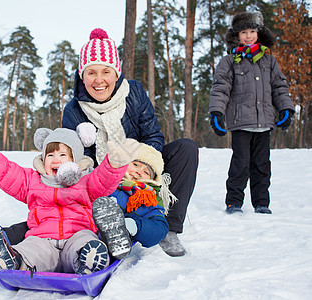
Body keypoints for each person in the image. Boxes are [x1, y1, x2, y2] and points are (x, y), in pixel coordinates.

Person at [62, 28, 199, 257]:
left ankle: (169, 228)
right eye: (91, 72)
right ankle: (108, 223)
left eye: (106, 72)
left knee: (186, 149)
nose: (99, 80)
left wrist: (136, 166)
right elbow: (76, 156)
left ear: (116, 74)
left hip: (140, 162)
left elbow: (153, 136)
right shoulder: (74, 110)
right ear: (81, 75)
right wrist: (111, 170)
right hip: (102, 176)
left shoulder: (134, 92)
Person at [0, 123, 140, 274]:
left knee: (85, 243)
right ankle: (13, 261)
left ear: (75, 160)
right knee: (31, 249)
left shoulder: (85, 181)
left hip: (76, 235)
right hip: (42, 238)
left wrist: (114, 164)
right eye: (50, 155)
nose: (55, 160)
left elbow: (103, 180)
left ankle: (89, 261)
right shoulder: (33, 180)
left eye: (63, 155)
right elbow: (8, 174)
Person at [209, 11, 295, 215]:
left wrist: (285, 108)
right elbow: (220, 88)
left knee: (262, 165)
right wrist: (216, 113)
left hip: (264, 123)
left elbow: (279, 87)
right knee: (240, 165)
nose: (248, 36)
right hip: (241, 123)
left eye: (252, 31)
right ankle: (234, 202)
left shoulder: (269, 62)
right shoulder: (229, 61)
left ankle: (261, 203)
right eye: (244, 32)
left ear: (259, 33)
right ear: (237, 36)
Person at [92, 143, 171, 259]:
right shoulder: (103, 179)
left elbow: (160, 228)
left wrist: (134, 225)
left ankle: (113, 241)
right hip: (85, 228)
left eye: (146, 172)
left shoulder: (149, 199)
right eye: (135, 164)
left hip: (114, 239)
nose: (139, 172)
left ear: (152, 179)